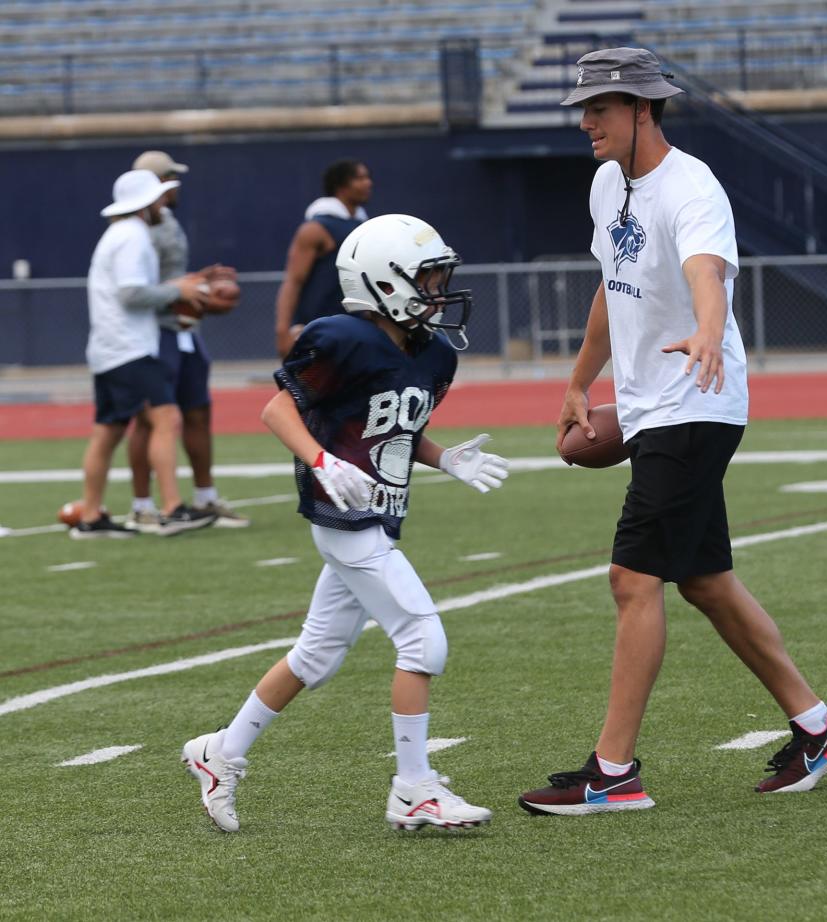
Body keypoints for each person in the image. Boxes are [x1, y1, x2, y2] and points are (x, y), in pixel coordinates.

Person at [518, 48, 827, 814]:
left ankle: (613, 775)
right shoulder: (607, 183)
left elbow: (707, 272)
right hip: (651, 408)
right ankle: (820, 729)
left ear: (642, 111)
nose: (585, 122)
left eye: (600, 109)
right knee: (705, 580)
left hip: (694, 404)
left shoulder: (694, 185)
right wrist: (580, 381)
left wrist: (709, 332)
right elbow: (613, 288)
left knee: (632, 579)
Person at [181, 214, 509, 832]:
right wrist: (322, 460)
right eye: (429, 279)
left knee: (317, 655)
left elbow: (392, 427)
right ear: (384, 283)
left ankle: (221, 753)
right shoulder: (340, 338)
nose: (440, 292)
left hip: (378, 516)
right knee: (422, 640)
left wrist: (445, 458)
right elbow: (277, 411)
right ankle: (414, 789)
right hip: (344, 518)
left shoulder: (432, 353)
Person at [72, 169, 218, 539]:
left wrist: (176, 286)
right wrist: (178, 293)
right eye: (157, 197)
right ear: (145, 203)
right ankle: (171, 509)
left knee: (107, 431)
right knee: (167, 418)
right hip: (129, 347)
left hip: (110, 347)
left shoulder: (119, 235)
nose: (163, 203)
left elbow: (133, 290)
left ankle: (90, 516)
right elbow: (132, 294)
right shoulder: (133, 236)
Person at [122, 150, 249, 531]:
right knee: (150, 419)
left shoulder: (164, 218)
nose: (177, 185)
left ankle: (205, 497)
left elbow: (171, 277)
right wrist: (185, 291)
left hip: (184, 331)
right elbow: (137, 288)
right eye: (170, 179)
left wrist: (197, 280)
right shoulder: (136, 229)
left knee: (198, 411)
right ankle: (143, 504)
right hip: (155, 329)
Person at [273, 159, 373, 358]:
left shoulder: (365, 227)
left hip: (358, 329)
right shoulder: (316, 228)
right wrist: (282, 331)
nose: (368, 183)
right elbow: (293, 281)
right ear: (341, 186)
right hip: (319, 334)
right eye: (360, 178)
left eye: (367, 177)